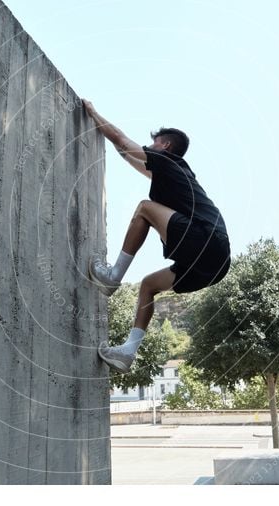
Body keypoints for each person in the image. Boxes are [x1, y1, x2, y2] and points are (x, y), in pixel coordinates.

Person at [82, 99, 231, 373]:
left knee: (144, 209)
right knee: (149, 285)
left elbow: (125, 143)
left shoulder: (168, 161)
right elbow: (128, 154)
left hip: (205, 239)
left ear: (165, 146)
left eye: (153, 143)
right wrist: (117, 144)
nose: (148, 147)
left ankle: (113, 277)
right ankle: (128, 351)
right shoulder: (172, 171)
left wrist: (92, 113)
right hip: (214, 264)